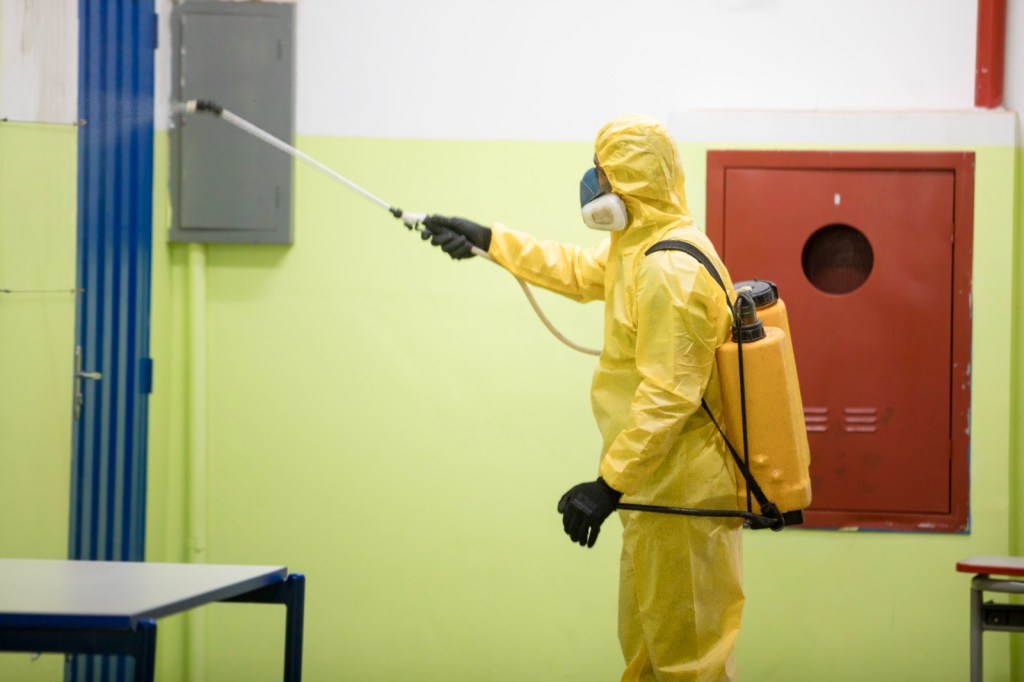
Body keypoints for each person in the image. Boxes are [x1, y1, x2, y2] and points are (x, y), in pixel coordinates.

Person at [422, 115, 744, 681]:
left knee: (688, 663)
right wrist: (489, 241)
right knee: (647, 655)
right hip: (653, 489)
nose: (593, 182)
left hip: (682, 497)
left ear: (632, 181)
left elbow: (670, 395)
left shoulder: (670, 270)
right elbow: (575, 270)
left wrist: (608, 484)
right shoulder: (637, 249)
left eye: (604, 170)